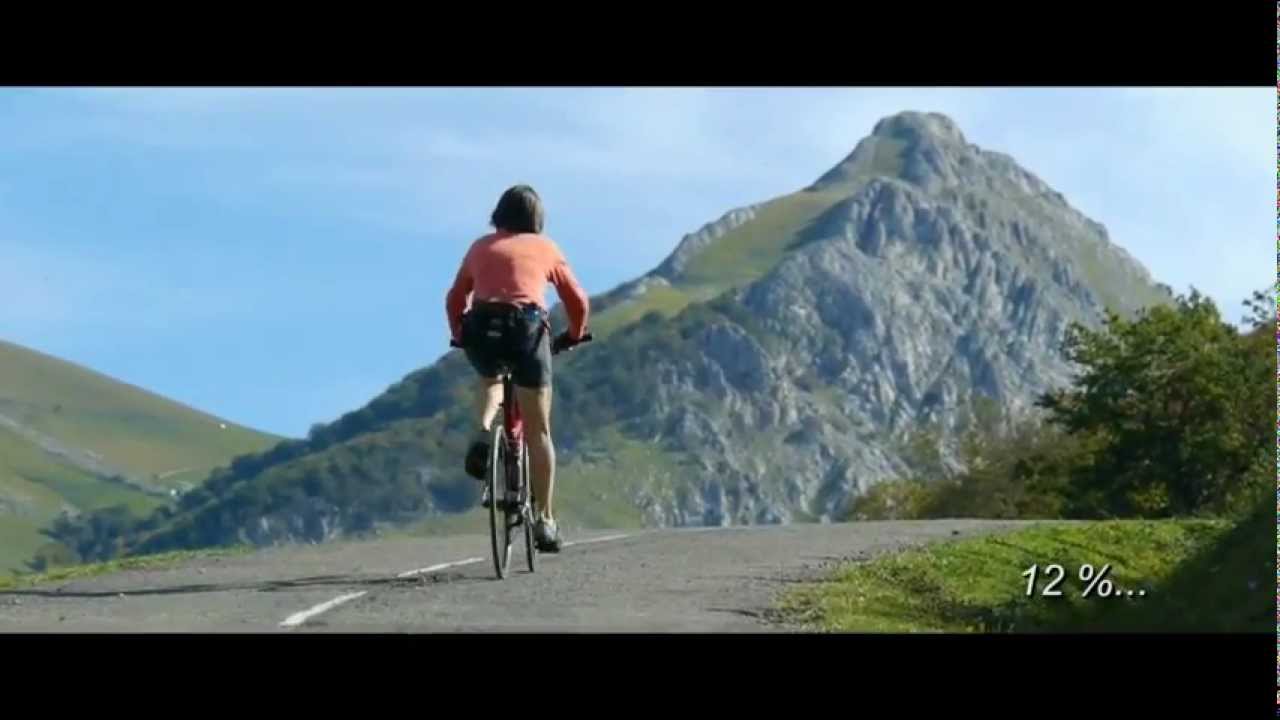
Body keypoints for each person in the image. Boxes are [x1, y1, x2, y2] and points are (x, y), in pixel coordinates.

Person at [445, 185, 590, 552]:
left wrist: (459, 333)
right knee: (539, 431)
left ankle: (480, 433)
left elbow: (454, 298)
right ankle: (545, 520)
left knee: (490, 378)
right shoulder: (547, 249)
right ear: (536, 219)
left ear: (499, 214)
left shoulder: (480, 247)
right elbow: (577, 301)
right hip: (525, 328)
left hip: (482, 326)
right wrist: (573, 335)